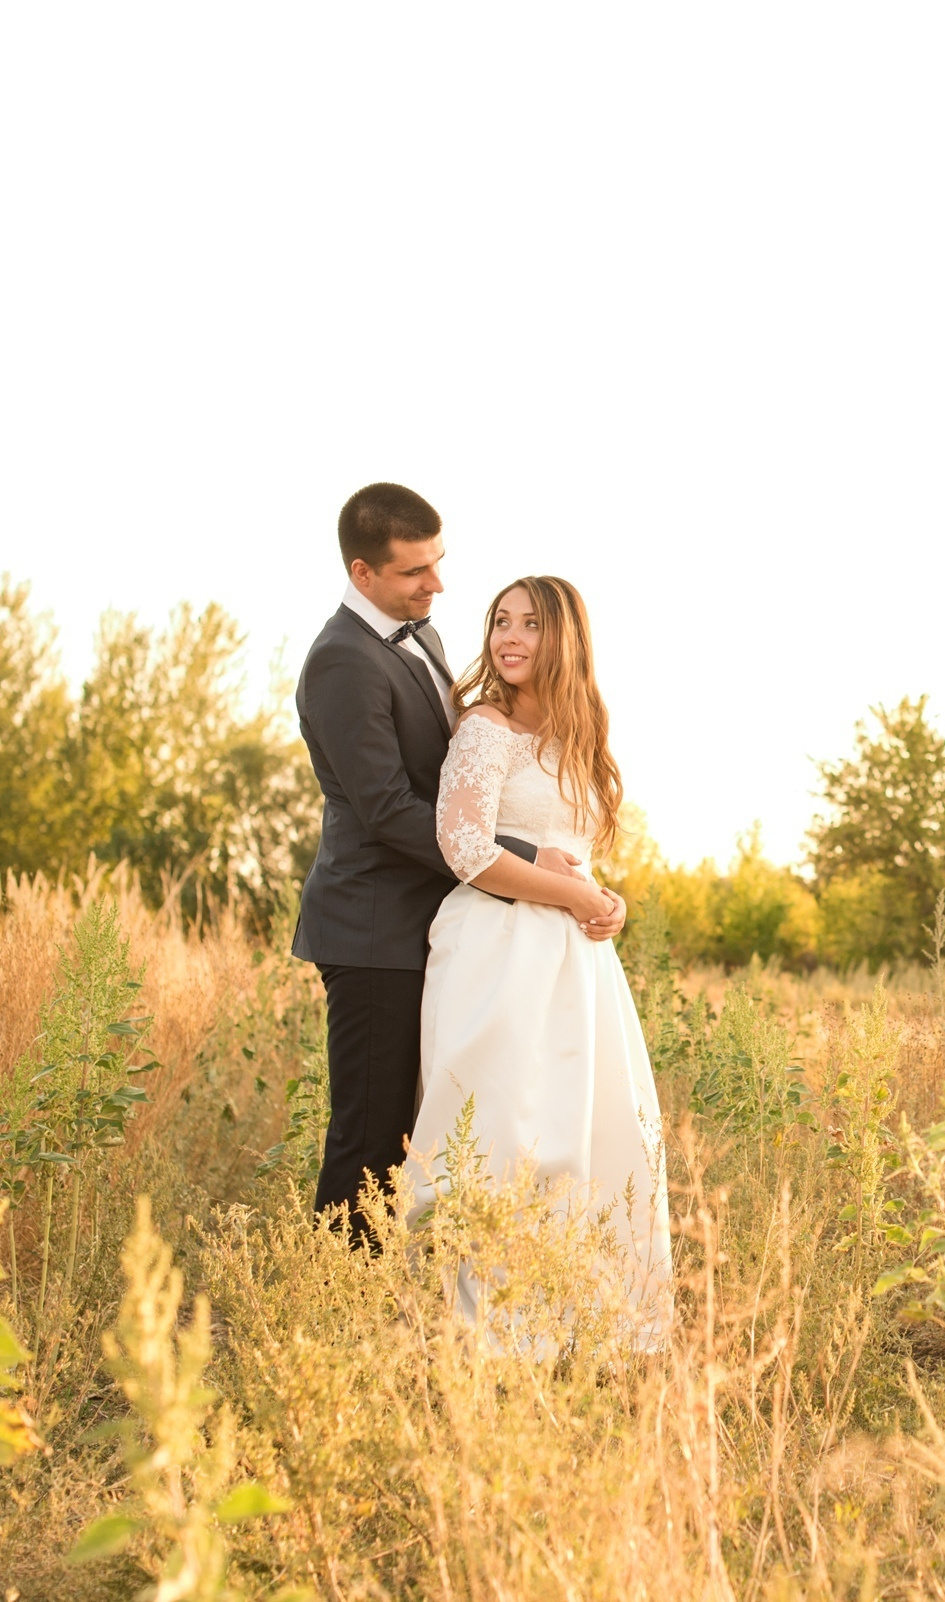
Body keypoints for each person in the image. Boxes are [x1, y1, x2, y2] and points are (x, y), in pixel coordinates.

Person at [291, 484, 623, 1236]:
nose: (436, 584)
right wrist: (525, 857)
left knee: (439, 1126)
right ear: (363, 572)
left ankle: (402, 1305)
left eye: (438, 564)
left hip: (444, 921)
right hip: (372, 927)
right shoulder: (343, 661)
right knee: (372, 1136)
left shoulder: (422, 635)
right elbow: (388, 811)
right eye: (415, 572)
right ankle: (337, 1308)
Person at [408, 575, 672, 1345]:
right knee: (497, 1129)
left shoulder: (582, 736)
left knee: (592, 1130)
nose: (509, 638)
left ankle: (581, 1324)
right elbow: (464, 849)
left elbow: (574, 858)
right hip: (495, 951)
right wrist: (577, 899)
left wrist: (605, 899)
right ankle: (477, 1336)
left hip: (576, 966)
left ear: (566, 640)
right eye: (500, 622)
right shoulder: (484, 728)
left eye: (529, 624)